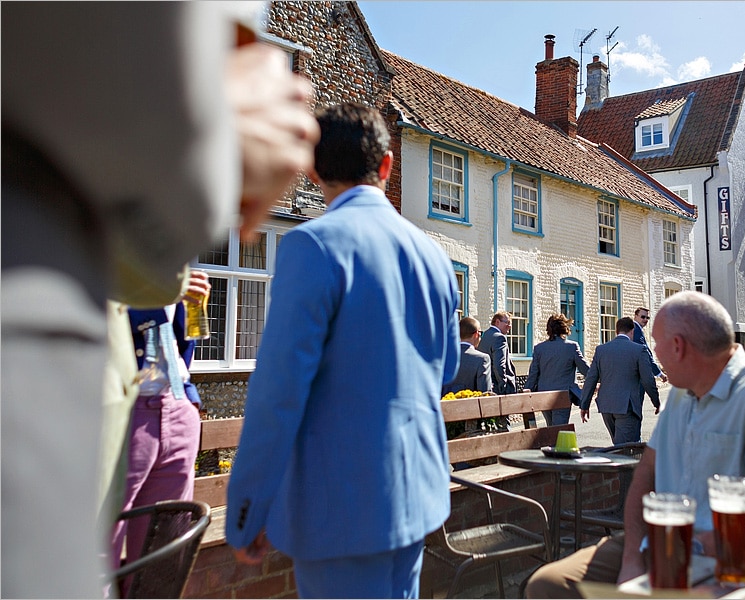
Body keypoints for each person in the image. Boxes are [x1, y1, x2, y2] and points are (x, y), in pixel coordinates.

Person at [1, 4, 319, 596]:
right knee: (102, 550)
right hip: (99, 388)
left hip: (171, 397)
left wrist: (189, 383)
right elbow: (156, 170)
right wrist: (215, 133)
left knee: (155, 560)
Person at [225, 103, 460, 599]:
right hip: (416, 494)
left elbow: (277, 394)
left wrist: (248, 509)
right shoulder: (434, 256)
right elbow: (445, 369)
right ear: (387, 165)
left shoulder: (312, 246)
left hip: (340, 508)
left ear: (312, 171)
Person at [527, 292, 745, 598]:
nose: (652, 351)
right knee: (548, 585)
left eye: (655, 342)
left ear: (678, 347)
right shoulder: (683, 394)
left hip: (727, 557)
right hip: (655, 542)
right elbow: (646, 474)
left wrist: (703, 542)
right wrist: (630, 559)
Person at [108, 271, 209, 587]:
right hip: (121, 409)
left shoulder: (171, 251)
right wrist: (164, 286)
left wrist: (187, 397)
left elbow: (179, 338)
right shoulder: (96, 235)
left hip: (177, 405)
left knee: (161, 562)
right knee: (95, 550)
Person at [579, 317, 660, 444]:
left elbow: (591, 379)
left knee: (617, 445)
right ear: (632, 331)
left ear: (616, 331)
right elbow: (648, 380)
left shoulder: (601, 350)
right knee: (625, 449)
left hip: (606, 405)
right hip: (627, 406)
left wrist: (584, 405)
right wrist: (656, 401)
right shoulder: (639, 350)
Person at [525, 314, 590, 426]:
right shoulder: (572, 347)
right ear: (565, 328)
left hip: (544, 394)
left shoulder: (539, 348)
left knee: (551, 428)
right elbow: (586, 370)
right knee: (560, 430)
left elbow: (533, 374)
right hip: (562, 395)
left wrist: (527, 394)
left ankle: (553, 444)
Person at [443, 316, 493, 397]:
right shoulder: (482, 359)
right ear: (476, 334)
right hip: (471, 407)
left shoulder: (444, 357)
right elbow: (485, 393)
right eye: (481, 333)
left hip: (444, 407)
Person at [479, 311, 518, 396]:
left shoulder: (485, 335)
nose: (510, 326)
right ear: (497, 322)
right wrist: (503, 385)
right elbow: (499, 364)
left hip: (488, 383)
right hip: (499, 388)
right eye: (507, 323)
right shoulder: (499, 338)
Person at [632, 307, 668, 385]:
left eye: (647, 317)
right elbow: (645, 354)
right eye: (642, 317)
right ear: (635, 316)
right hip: (637, 375)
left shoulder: (636, 329)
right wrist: (659, 374)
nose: (645, 319)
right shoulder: (636, 331)